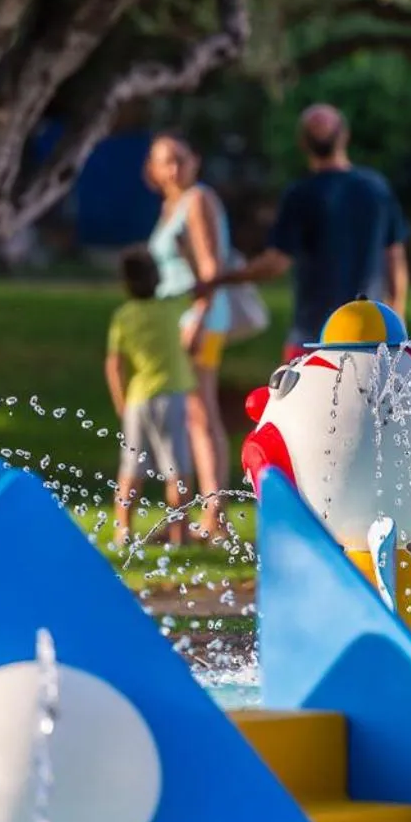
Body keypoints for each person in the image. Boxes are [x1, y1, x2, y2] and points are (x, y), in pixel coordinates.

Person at [200, 104, 409, 361]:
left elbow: (275, 264)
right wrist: (397, 319)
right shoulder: (376, 188)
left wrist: (221, 279)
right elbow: (395, 258)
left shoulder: (300, 194)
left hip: (313, 337)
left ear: (302, 143)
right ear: (344, 135)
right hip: (372, 336)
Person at [144, 133, 234, 540]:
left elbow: (211, 265)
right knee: (191, 413)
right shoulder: (171, 206)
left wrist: (198, 314)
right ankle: (198, 509)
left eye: (180, 158)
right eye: (166, 160)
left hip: (199, 318)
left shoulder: (197, 200)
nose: (174, 168)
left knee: (200, 412)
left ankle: (214, 511)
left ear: (195, 160)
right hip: (175, 318)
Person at [105, 247, 196, 551]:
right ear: (158, 278)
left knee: (131, 468)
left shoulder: (123, 316)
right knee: (177, 469)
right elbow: (199, 292)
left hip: (137, 399)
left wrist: (120, 401)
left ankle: (123, 531)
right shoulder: (171, 308)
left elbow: (114, 364)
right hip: (171, 396)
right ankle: (179, 533)